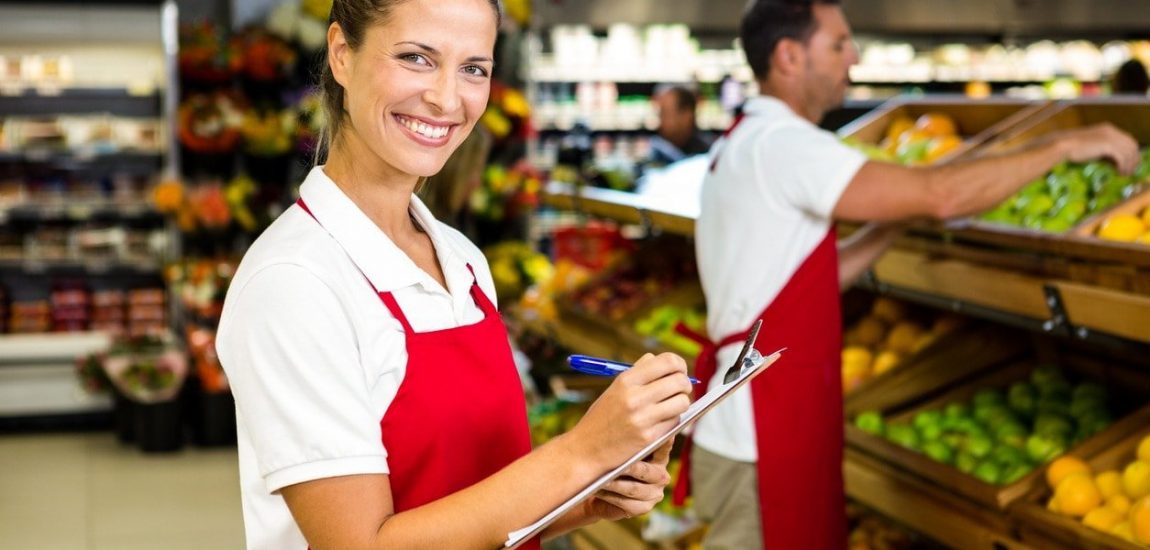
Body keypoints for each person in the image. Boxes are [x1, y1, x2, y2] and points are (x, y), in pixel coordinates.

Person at [215, 1, 693, 548]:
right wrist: (579, 452)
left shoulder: (462, 260)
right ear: (342, 55)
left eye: (474, 69)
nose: (447, 99)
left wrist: (584, 495)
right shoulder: (295, 282)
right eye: (416, 58)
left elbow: (469, 504)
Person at [681, 1, 1141, 549]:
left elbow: (807, 283)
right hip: (760, 433)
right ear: (788, 56)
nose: (853, 56)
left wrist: (897, 220)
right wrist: (1063, 142)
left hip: (752, 419)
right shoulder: (786, 145)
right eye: (838, 43)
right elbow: (942, 195)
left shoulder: (745, 141)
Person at [645, 85, 714, 170]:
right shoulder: (652, 151)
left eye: (665, 114)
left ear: (687, 116)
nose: (660, 122)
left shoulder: (710, 154)